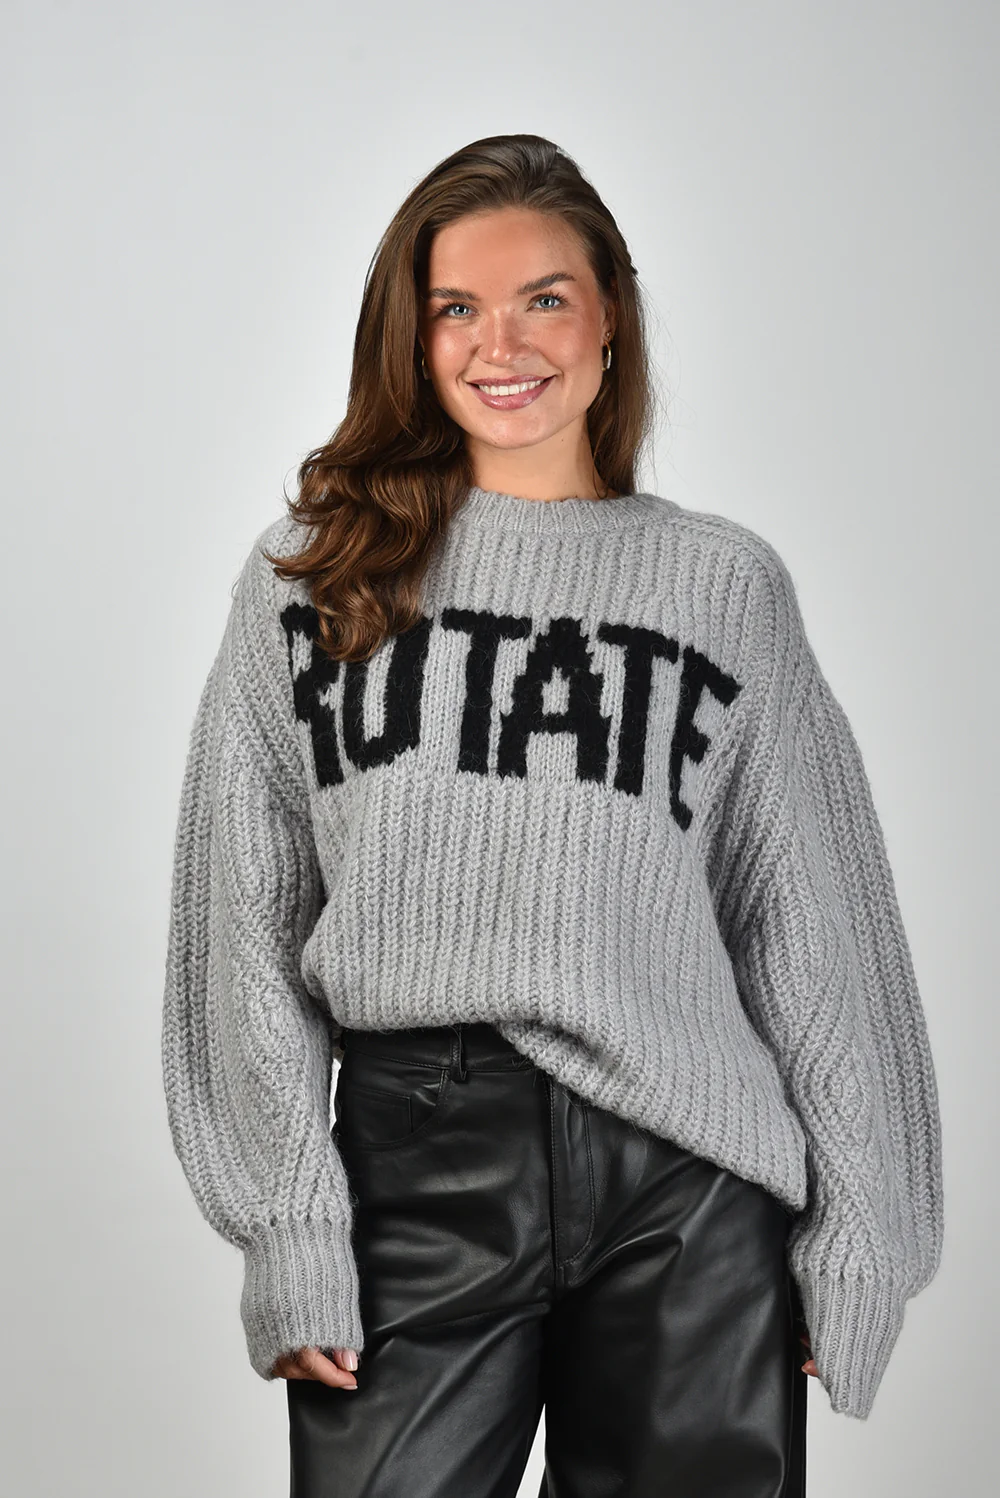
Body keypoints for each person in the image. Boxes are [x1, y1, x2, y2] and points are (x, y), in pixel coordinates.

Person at [161, 134, 944, 1497]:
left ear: (609, 316)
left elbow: (817, 931)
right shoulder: (312, 579)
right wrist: (287, 1220)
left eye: (544, 298)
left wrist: (867, 1232)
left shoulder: (722, 590)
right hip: (419, 1163)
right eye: (456, 307)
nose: (501, 344)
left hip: (690, 1180)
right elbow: (243, 920)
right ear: (411, 340)